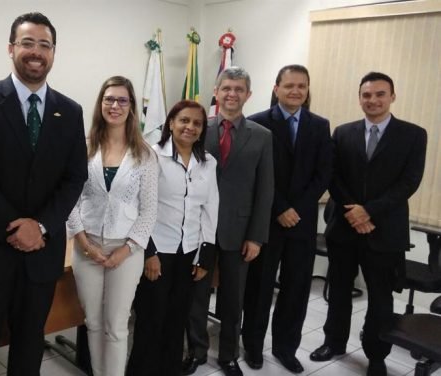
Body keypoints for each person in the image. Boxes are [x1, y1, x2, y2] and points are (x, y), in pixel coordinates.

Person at [0, 12, 88, 376]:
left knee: (29, 350)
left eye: (45, 45)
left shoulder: (70, 111)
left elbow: (75, 178)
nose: (36, 52)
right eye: (28, 43)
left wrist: (40, 226)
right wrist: (16, 226)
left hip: (41, 258)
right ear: (11, 48)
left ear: (53, 53)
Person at [309, 72, 427, 376]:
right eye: (366, 95)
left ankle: (376, 354)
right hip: (344, 229)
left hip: (384, 231)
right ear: (359, 97)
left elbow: (409, 182)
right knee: (338, 291)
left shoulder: (414, 134)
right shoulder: (343, 132)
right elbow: (333, 176)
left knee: (380, 297)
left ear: (392, 96)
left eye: (379, 94)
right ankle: (333, 342)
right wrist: (354, 213)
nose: (372, 100)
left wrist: (368, 212)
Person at [183, 66, 274, 376]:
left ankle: (228, 356)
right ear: (216, 92)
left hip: (239, 232)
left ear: (248, 95)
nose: (232, 94)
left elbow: (265, 191)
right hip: (198, 231)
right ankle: (195, 351)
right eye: (226, 88)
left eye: (238, 89)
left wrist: (257, 236)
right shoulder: (197, 129)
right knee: (196, 296)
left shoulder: (262, 137)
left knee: (234, 300)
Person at [241, 64, 333, 373]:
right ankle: (253, 348)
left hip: (302, 223)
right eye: (289, 85)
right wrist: (280, 207)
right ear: (276, 88)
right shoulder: (256, 123)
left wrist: (299, 208)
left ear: (308, 90)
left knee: (296, 290)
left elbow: (323, 173)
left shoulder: (320, 126)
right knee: (259, 289)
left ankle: (285, 348)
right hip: (266, 222)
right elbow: (254, 175)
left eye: (302, 86)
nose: (296, 91)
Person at [66, 75, 158, 376]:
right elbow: (71, 200)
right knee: (92, 322)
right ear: (101, 104)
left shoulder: (144, 154)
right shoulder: (84, 147)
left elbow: (148, 212)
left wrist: (127, 250)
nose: (115, 105)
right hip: (86, 246)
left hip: (126, 251)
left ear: (131, 107)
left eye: (122, 100)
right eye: (109, 99)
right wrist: (83, 243)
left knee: (116, 326)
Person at [126, 100, 219, 376]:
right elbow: (139, 207)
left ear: (202, 130)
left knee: (177, 320)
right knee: (150, 320)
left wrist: (205, 255)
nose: (190, 127)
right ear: (171, 123)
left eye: (197, 123)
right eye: (184, 120)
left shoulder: (208, 163)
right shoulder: (151, 156)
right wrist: (149, 253)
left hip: (190, 252)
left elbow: (210, 209)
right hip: (157, 251)